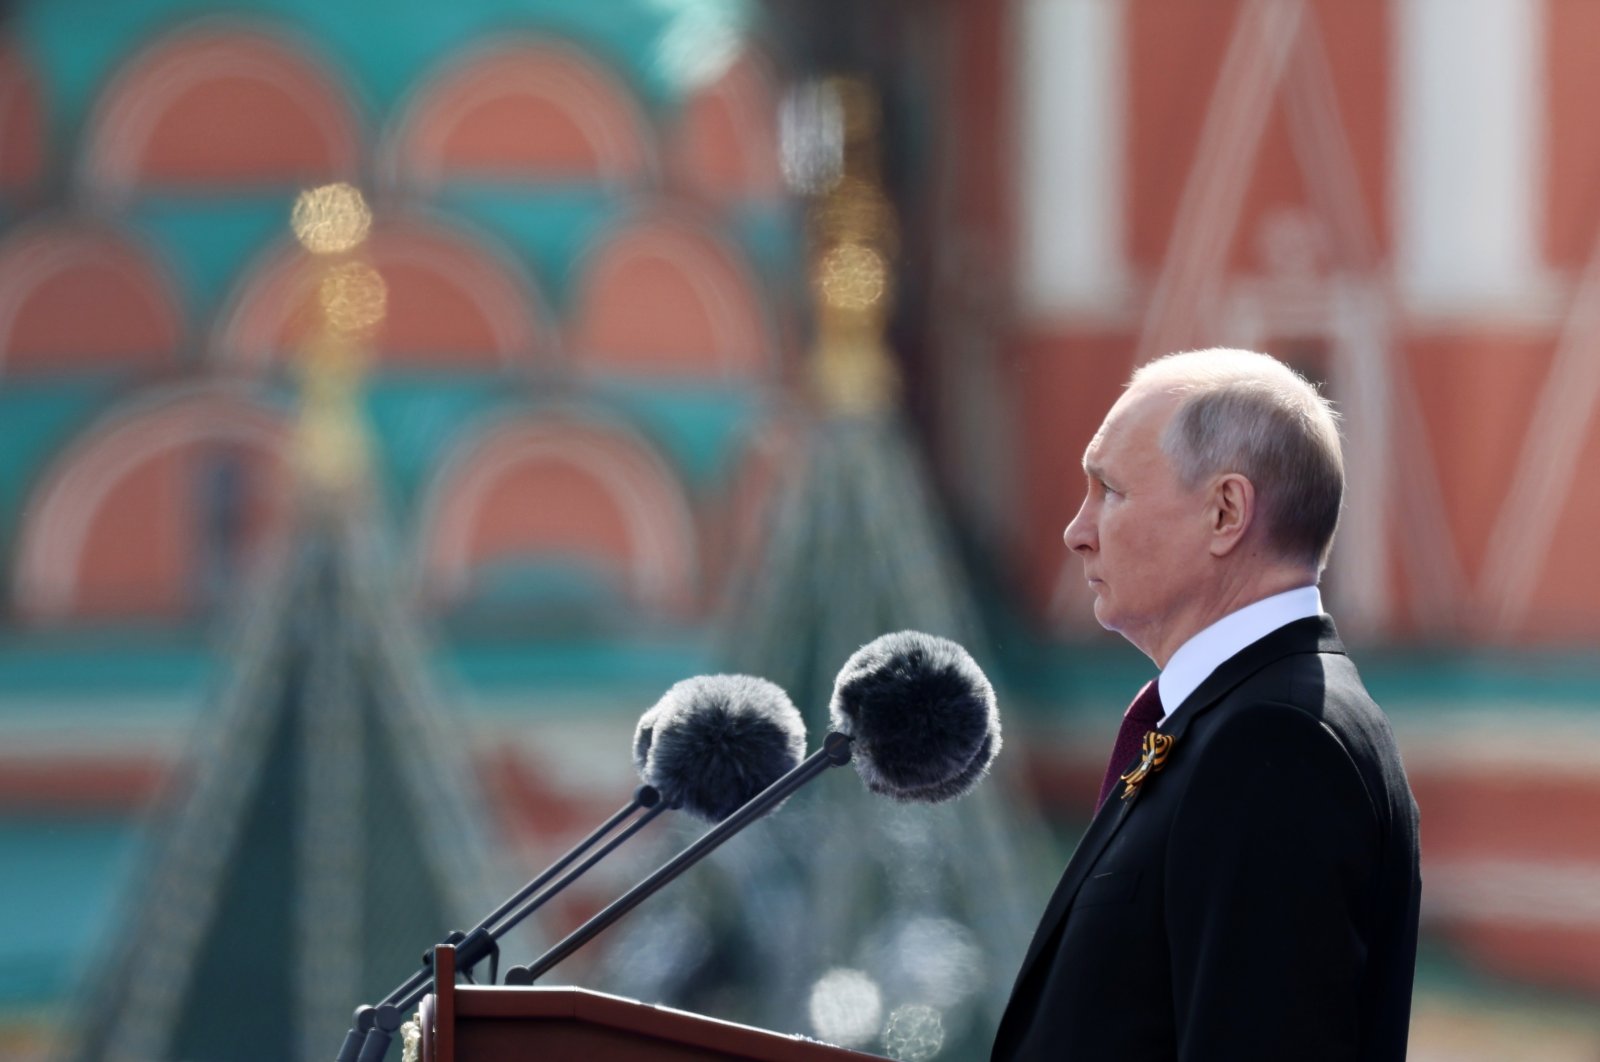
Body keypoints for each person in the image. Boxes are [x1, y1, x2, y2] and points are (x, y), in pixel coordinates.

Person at [992, 349, 1421, 1061]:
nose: (1077, 530)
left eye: (1110, 492)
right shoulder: (1233, 723)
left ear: (1225, 512)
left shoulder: (1276, 745)